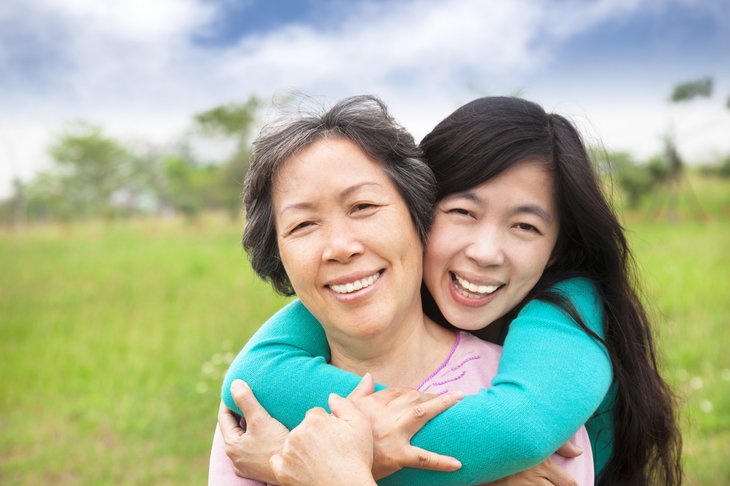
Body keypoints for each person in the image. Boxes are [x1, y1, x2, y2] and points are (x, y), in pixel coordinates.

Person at [223, 96, 684, 485]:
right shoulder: (352, 292)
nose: (485, 252)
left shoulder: (567, 311)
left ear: (559, 248)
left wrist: (309, 458)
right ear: (419, 211)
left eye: (525, 225)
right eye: (462, 212)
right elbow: (255, 374)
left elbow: (514, 434)